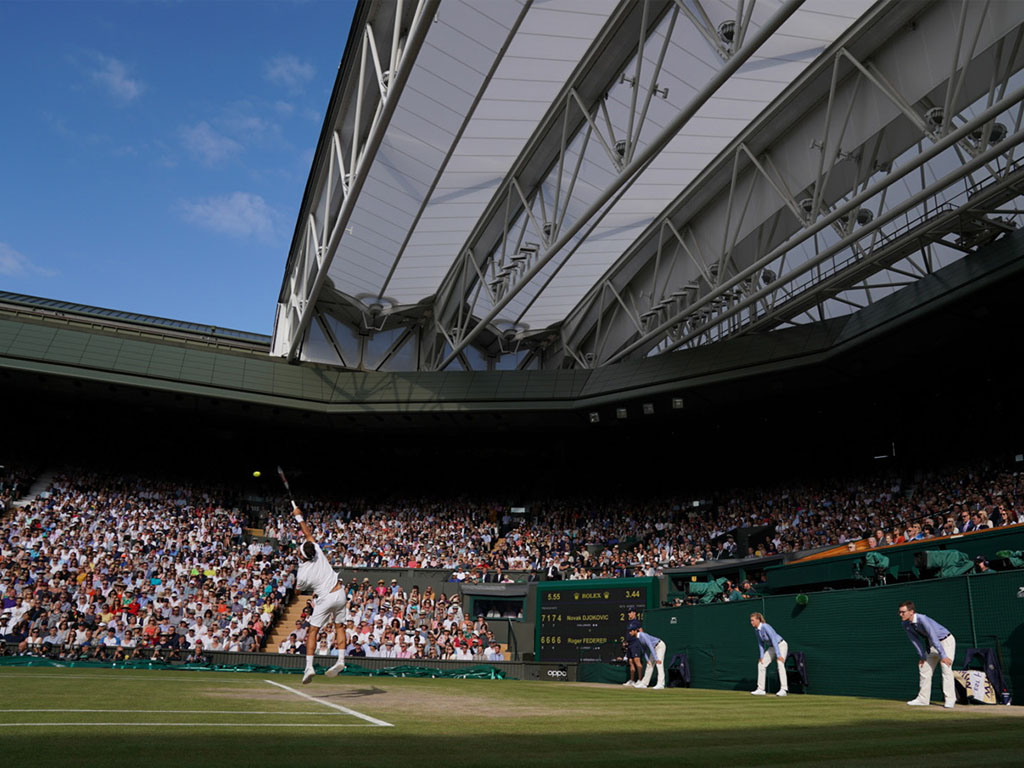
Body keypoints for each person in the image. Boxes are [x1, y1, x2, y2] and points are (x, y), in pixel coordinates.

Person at [292, 503, 348, 684]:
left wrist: (300, 589)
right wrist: (299, 517)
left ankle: (309, 667)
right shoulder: (316, 550)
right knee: (339, 626)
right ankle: (340, 660)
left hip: (325, 599)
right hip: (340, 594)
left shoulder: (302, 574)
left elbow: (298, 591)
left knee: (313, 631)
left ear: (301, 555)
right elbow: (307, 533)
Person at [899, 601, 956, 708]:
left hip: (945, 641)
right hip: (931, 644)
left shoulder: (923, 619)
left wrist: (943, 655)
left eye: (903, 612)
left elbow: (933, 636)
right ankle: (923, 699)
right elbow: (915, 641)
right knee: (924, 668)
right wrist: (922, 656)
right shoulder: (905, 624)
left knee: (945, 668)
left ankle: (950, 700)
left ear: (911, 612)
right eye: (900, 612)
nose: (901, 614)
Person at [750, 612, 787, 696]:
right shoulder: (756, 630)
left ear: (758, 620)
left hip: (781, 645)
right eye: (751, 620)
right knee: (761, 664)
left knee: (780, 663)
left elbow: (773, 639)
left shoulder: (765, 626)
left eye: (752, 620)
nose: (751, 622)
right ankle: (761, 689)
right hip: (772, 647)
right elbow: (760, 644)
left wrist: (778, 655)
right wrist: (761, 656)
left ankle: (784, 689)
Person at [628, 624, 665, 690]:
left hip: (659, 646)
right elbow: (643, 650)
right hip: (654, 648)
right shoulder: (637, 638)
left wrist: (656, 658)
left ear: (635, 631)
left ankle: (661, 684)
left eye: (631, 631)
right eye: (629, 631)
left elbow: (650, 645)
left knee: (659, 664)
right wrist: (647, 659)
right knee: (649, 665)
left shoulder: (643, 635)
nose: (629, 632)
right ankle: (644, 683)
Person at [622, 609, 643, 687]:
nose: (628, 614)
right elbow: (628, 634)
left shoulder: (637, 622)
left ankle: (640, 680)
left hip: (635, 643)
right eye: (628, 613)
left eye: (630, 612)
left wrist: (640, 641)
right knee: (630, 661)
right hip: (629, 644)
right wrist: (625, 641)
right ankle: (632, 680)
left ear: (634, 613)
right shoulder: (629, 623)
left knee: (637, 661)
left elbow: (641, 631)